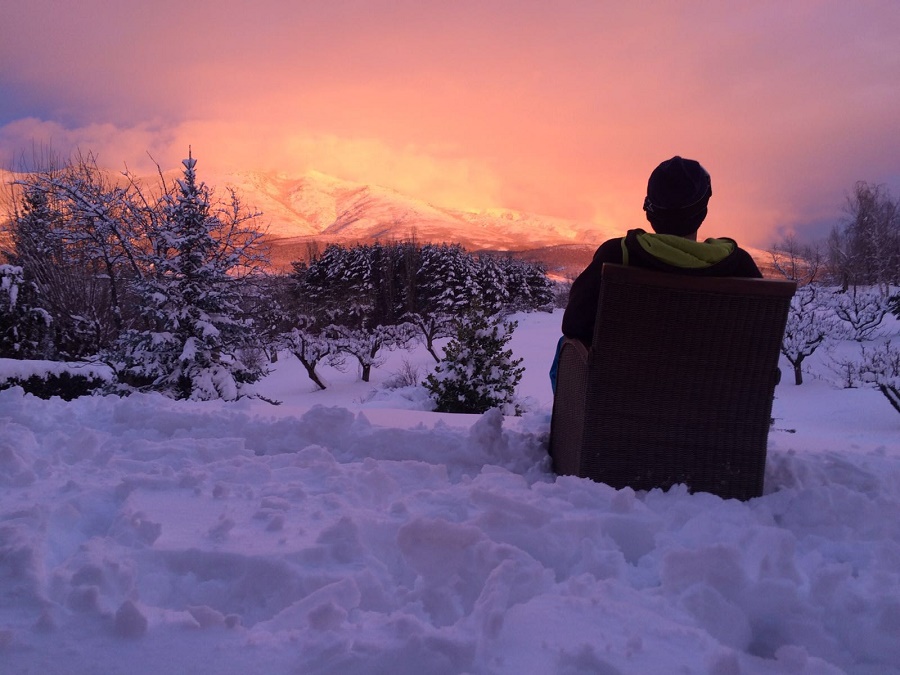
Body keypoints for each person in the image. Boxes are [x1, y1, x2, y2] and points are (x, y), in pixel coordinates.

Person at [550, 156, 762, 389]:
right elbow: (761, 340)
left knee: (565, 346)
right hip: (714, 408)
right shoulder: (738, 265)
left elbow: (573, 325)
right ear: (703, 211)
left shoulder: (618, 254)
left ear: (650, 211)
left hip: (620, 406)